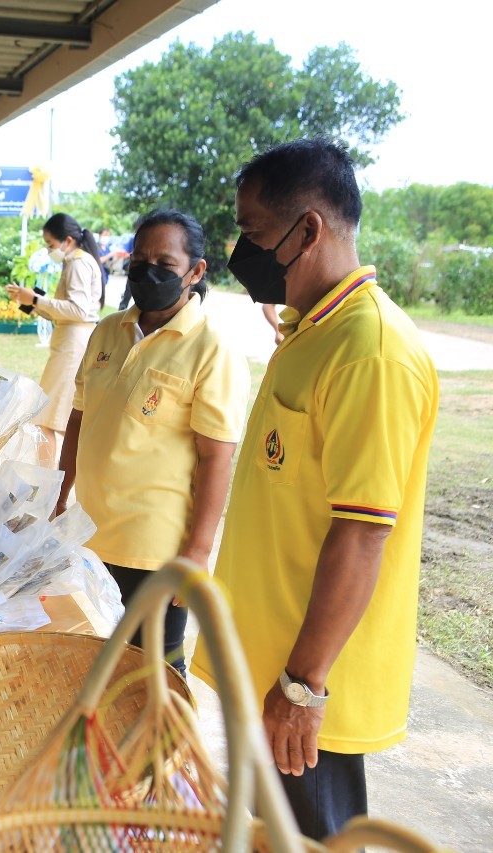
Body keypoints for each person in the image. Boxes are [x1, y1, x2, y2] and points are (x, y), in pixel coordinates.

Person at [190, 139, 439, 838]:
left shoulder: (373, 352)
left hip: (307, 689)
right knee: (268, 835)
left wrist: (303, 685)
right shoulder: (311, 331)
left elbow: (362, 533)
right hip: (266, 667)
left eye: (255, 233)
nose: (244, 250)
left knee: (311, 839)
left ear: (309, 231)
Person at [55, 209, 249, 677]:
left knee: (154, 675)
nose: (148, 270)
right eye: (140, 258)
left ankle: (166, 752)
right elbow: (79, 418)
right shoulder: (107, 330)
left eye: (164, 261)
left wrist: (198, 552)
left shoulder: (212, 350)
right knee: (95, 663)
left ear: (196, 271)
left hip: (155, 549)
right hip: (89, 535)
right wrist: (59, 494)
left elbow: (215, 457)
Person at [5, 213, 104, 460]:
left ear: (67, 241)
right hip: (70, 339)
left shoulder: (78, 263)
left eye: (50, 244)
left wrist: (36, 298)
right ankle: (53, 483)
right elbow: (66, 311)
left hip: (73, 344)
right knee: (54, 417)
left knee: (47, 419)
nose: (50, 250)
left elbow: (78, 310)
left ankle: (48, 484)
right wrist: (28, 302)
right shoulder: (76, 261)